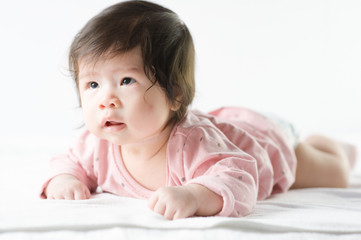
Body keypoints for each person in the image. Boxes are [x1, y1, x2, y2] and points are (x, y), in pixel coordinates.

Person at [41, 0, 357, 220]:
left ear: (175, 94)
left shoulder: (193, 143)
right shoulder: (97, 144)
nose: (105, 100)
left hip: (264, 141)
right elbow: (68, 161)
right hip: (226, 125)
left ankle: (332, 145)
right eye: (93, 85)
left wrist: (195, 195)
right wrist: (64, 179)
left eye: (126, 80)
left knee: (335, 174)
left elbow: (239, 177)